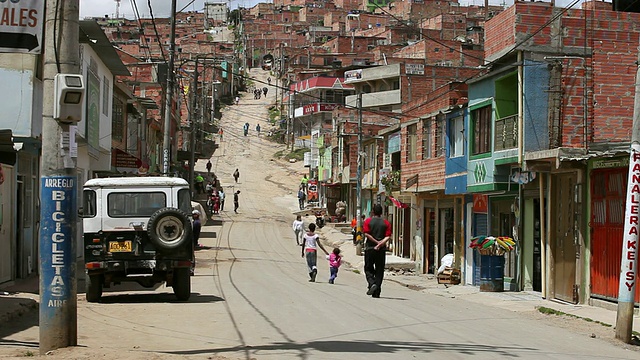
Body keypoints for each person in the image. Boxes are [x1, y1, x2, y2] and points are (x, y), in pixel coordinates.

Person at [363, 204, 392, 298]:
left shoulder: (368, 221)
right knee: (379, 270)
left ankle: (372, 284)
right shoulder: (386, 223)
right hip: (381, 250)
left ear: (373, 212)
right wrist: (380, 244)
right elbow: (388, 236)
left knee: (368, 268)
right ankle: (377, 291)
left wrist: (376, 243)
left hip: (370, 249)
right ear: (381, 212)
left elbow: (367, 234)